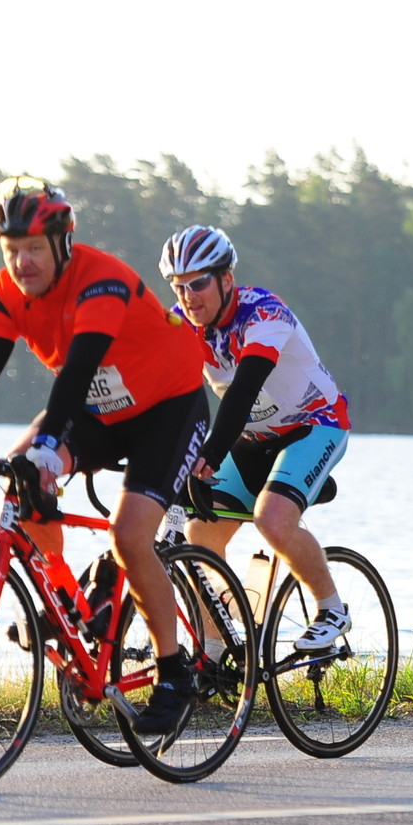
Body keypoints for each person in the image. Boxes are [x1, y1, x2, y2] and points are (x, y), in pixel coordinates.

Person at [0, 177, 210, 732]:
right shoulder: (6, 291)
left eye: (34, 249)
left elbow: (79, 369)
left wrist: (48, 447)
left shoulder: (101, 279)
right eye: (11, 250)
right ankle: (71, 603)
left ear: (63, 244)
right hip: (99, 412)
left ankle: (173, 673)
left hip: (168, 408)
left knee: (129, 535)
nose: (22, 263)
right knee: (19, 481)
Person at [160, 225, 354, 652]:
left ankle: (332, 608)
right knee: (199, 532)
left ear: (226, 279)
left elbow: (243, 391)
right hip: (252, 437)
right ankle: (216, 649)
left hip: (315, 425)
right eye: (178, 286)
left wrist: (209, 455)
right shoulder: (181, 322)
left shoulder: (264, 314)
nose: (188, 296)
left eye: (198, 284)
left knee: (272, 519)